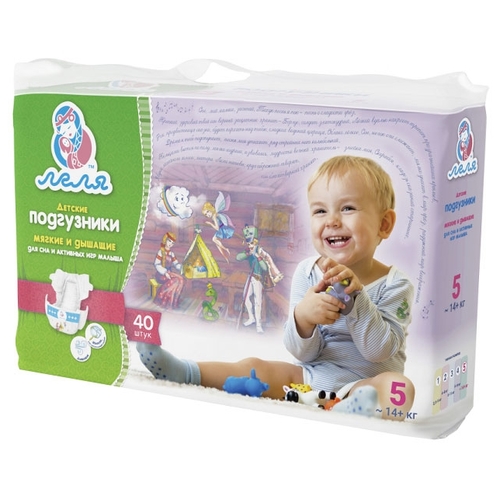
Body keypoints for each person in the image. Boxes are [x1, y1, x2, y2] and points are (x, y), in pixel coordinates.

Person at [138, 155, 415, 420]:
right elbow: (302, 353)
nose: (331, 220)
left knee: (399, 387)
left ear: (384, 224)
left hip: (364, 384)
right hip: (309, 380)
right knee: (255, 367)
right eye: (320, 211)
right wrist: (303, 319)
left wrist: (356, 299)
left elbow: (380, 351)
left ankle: (354, 409)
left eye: (348, 208)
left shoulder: (396, 284)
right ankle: (185, 372)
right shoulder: (308, 272)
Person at [153, 232, 185, 309]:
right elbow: (157, 264)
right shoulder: (160, 252)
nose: (170, 244)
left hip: (169, 273)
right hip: (161, 274)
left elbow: (176, 264)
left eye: (172, 243)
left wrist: (183, 268)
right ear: (165, 240)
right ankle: (164, 299)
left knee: (179, 280)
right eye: (169, 241)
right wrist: (165, 272)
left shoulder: (171, 253)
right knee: (179, 279)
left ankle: (173, 301)